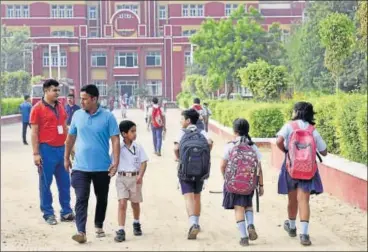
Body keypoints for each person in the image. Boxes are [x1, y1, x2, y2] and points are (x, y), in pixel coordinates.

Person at [64, 84, 120, 244]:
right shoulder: (77, 115)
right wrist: (66, 158)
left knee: (101, 197)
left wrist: (116, 161)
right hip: (80, 167)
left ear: (94, 99)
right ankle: (81, 231)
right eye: (80, 99)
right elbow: (70, 139)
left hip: (102, 167)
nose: (81, 102)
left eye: (84, 99)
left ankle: (98, 223)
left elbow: (115, 140)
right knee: (81, 198)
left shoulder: (108, 117)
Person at [276, 102, 328, 246]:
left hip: (291, 168)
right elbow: (324, 151)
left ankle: (292, 227)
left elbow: (279, 141)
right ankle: (304, 235)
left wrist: (286, 151)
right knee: (303, 201)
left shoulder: (289, 126)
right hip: (307, 170)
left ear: (296, 112)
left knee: (292, 199)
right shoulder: (312, 130)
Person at [29, 79, 74, 225]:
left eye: (58, 90)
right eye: (54, 90)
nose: (57, 93)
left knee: (65, 182)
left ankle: (66, 211)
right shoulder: (37, 108)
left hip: (61, 150)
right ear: (46, 91)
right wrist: (36, 153)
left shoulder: (61, 106)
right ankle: (48, 213)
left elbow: (65, 128)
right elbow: (34, 132)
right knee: (45, 183)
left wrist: (70, 149)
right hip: (46, 150)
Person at [220, 118, 264, 246]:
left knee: (238, 208)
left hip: (234, 182)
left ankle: (244, 237)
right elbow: (259, 168)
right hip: (249, 182)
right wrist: (261, 185)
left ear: (234, 130)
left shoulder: (230, 145)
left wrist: (226, 178)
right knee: (247, 205)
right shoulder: (252, 146)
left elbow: (222, 165)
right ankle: (250, 224)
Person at [174, 109, 213, 240]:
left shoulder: (181, 133)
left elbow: (175, 148)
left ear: (188, 121)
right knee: (197, 196)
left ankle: (193, 223)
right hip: (201, 170)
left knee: (188, 197)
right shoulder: (202, 132)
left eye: (182, 119)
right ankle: (197, 222)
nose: (181, 121)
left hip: (185, 170)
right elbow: (210, 143)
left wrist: (179, 158)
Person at [113, 120, 148, 242]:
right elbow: (113, 161)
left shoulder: (138, 147)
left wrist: (140, 175)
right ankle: (121, 229)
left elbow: (144, 162)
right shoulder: (118, 147)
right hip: (122, 178)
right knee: (122, 203)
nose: (135, 134)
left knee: (135, 203)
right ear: (124, 134)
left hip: (135, 178)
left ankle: (136, 222)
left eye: (135, 131)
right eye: (132, 131)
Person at [65, 94, 80, 160]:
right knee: (67, 142)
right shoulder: (65, 108)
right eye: (68, 98)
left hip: (75, 127)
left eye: (70, 98)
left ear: (74, 99)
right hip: (67, 126)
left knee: (74, 142)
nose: (69, 99)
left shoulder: (77, 108)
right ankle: (71, 154)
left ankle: (74, 155)